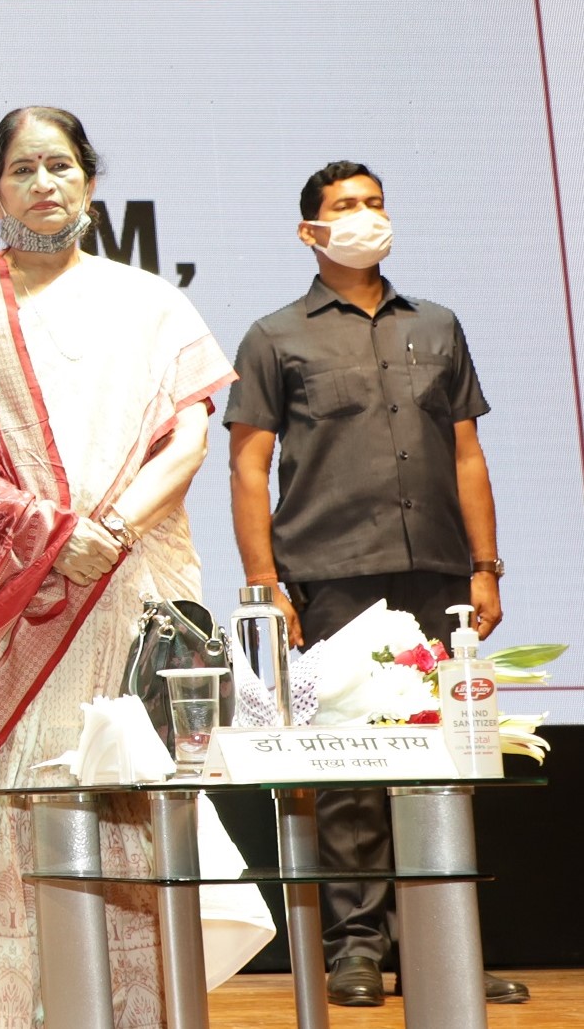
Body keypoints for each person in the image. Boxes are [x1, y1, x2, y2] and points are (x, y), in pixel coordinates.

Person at [0, 107, 231, 1029]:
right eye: (22, 169)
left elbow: (187, 438)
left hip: (126, 594)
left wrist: (102, 530)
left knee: (124, 817)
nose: (43, 184)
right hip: (3, 611)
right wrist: (40, 533)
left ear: (89, 183)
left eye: (60, 165)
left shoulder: (148, 301)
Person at [222, 161, 525, 1007]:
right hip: (330, 576)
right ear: (308, 231)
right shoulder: (275, 335)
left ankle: (444, 947)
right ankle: (354, 950)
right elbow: (247, 467)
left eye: (374, 203)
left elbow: (466, 451)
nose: (364, 217)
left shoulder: (437, 324)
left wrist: (484, 565)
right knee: (351, 771)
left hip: (436, 570)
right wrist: (264, 585)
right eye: (344, 207)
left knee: (443, 765)